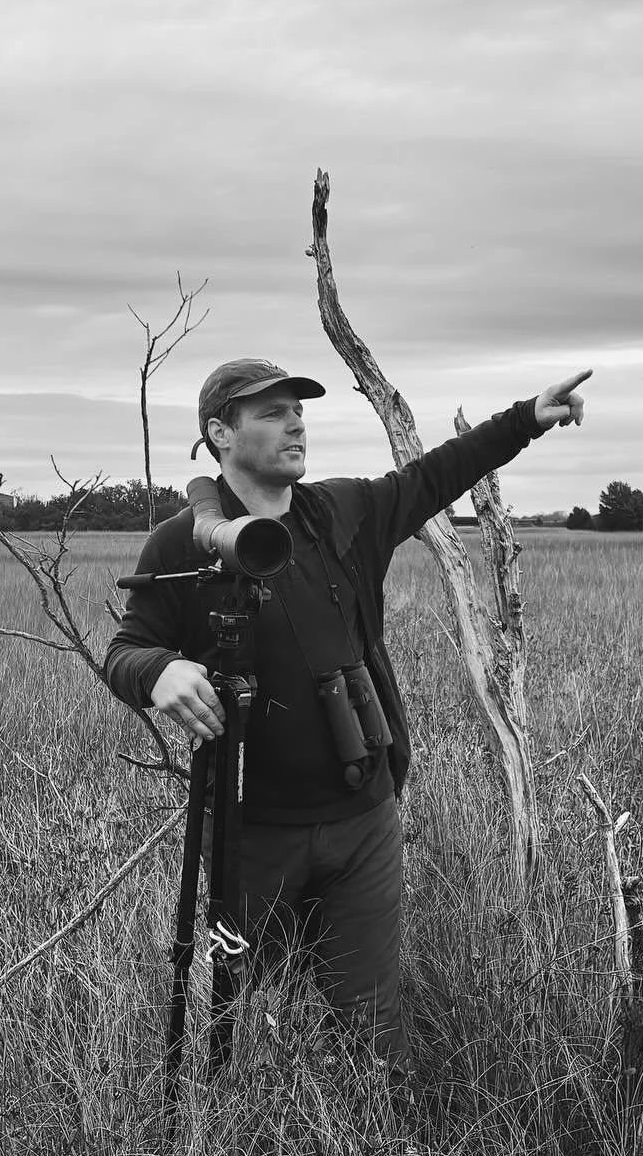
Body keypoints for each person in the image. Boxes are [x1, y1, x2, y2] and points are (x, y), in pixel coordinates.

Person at [104, 356, 590, 1070]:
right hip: (250, 832)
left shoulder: (342, 513)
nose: (295, 424)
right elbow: (125, 651)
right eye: (272, 412)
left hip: (364, 819)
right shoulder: (185, 541)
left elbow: (436, 476)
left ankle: (375, 1129)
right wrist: (159, 671)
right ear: (221, 433)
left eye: (298, 410)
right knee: (245, 1021)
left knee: (372, 1030)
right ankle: (249, 1131)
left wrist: (526, 419)